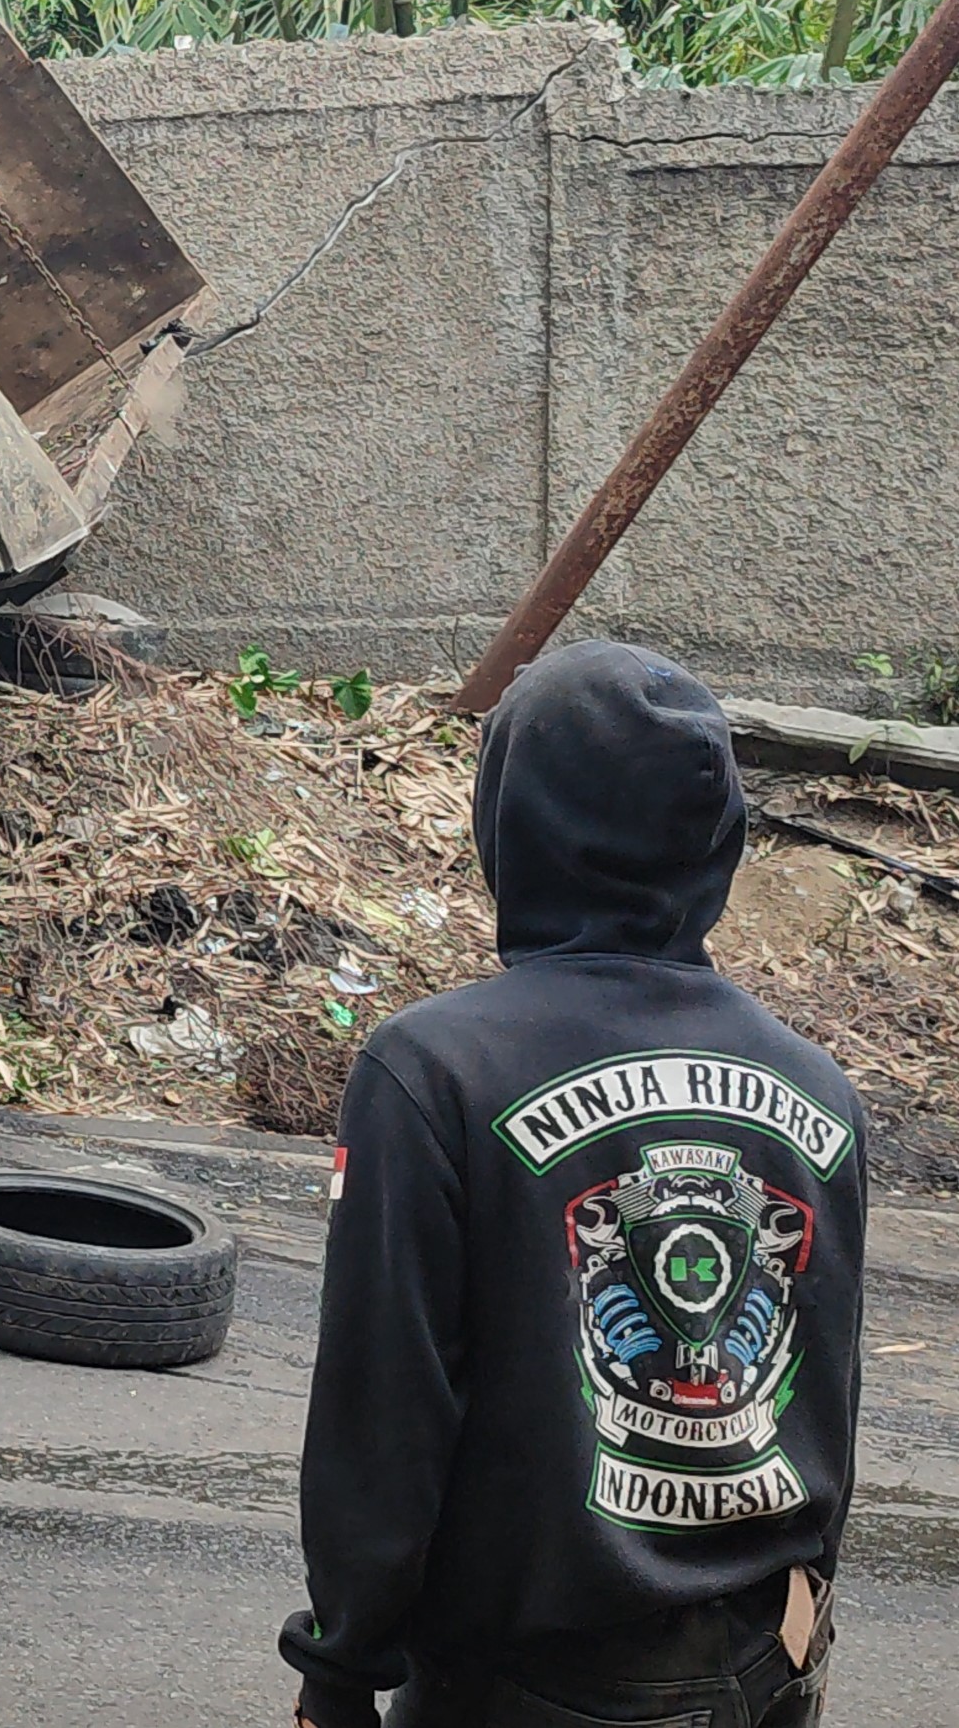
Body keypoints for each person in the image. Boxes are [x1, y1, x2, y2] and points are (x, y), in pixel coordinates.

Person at [282, 640, 868, 1728]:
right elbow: (827, 1389)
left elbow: (385, 1405)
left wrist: (339, 1665)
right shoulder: (816, 1088)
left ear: (513, 818)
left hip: (534, 1687)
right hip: (773, 1655)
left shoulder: (433, 1071)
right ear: (717, 840)